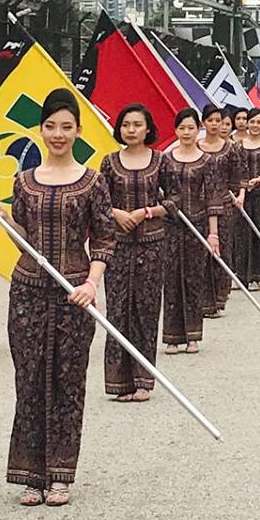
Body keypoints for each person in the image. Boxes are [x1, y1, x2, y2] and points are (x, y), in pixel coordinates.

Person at [0, 87, 115, 507]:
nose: (58, 134)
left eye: (66, 127)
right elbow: (24, 238)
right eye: (51, 126)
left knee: (68, 383)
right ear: (40, 130)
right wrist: (1, 218)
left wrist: (91, 284)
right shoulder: (24, 181)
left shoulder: (93, 182)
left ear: (78, 131)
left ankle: (60, 475)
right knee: (30, 380)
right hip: (28, 292)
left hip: (74, 295)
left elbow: (104, 239)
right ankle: (30, 475)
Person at [99, 103, 164, 402]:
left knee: (146, 310)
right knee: (118, 310)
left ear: (148, 128)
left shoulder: (160, 161)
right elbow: (99, 201)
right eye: (126, 125)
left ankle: (143, 382)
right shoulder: (109, 162)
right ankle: (119, 382)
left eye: (137, 124)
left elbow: (176, 201)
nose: (131, 130)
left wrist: (146, 212)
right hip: (118, 247)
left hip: (152, 246)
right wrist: (117, 214)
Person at [157, 106, 222, 354]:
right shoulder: (166, 160)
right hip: (170, 227)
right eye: (182, 128)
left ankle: (193, 335)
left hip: (197, 225)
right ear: (175, 130)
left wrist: (213, 234)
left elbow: (212, 197)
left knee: (193, 279)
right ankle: (172, 337)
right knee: (171, 280)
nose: (186, 132)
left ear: (198, 129)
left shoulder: (206, 161)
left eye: (191, 128)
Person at [199, 103, 238, 315]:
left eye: (218, 121)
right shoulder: (196, 148)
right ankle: (204, 300)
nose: (214, 125)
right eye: (210, 120)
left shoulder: (230, 148)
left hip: (224, 205)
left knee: (222, 250)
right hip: (199, 207)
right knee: (201, 253)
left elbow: (237, 177)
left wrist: (238, 194)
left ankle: (219, 298)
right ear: (203, 123)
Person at [234, 106, 260, 287]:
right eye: (252, 121)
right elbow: (234, 171)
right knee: (241, 236)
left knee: (259, 234)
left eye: (259, 122)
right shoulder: (238, 146)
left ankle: (256, 277)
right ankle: (241, 276)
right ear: (247, 123)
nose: (255, 125)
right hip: (242, 196)